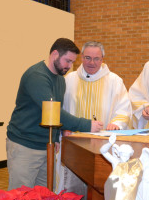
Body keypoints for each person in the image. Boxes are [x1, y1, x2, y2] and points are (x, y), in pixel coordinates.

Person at [6, 38, 103, 191]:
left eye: (72, 62)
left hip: (46, 146)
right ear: (55, 54)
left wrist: (55, 136)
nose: (70, 66)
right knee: (20, 198)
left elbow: (55, 111)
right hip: (24, 146)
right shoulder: (37, 76)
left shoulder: (60, 80)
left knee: (43, 198)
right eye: (68, 61)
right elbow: (54, 112)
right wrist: (87, 125)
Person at [55, 40, 132, 197]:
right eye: (87, 58)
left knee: (100, 190)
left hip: (102, 146)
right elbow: (59, 108)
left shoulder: (114, 81)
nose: (92, 62)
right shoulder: (69, 80)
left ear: (103, 59)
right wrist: (64, 128)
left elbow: (124, 108)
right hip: (74, 144)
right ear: (81, 58)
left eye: (96, 58)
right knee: (71, 190)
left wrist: (116, 124)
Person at [100, 133, 149, 200]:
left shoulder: (134, 165)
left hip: (131, 197)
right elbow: (103, 151)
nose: (125, 157)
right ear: (119, 153)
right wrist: (109, 143)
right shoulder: (116, 162)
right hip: (118, 196)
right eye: (123, 154)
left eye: (127, 154)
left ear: (130, 154)